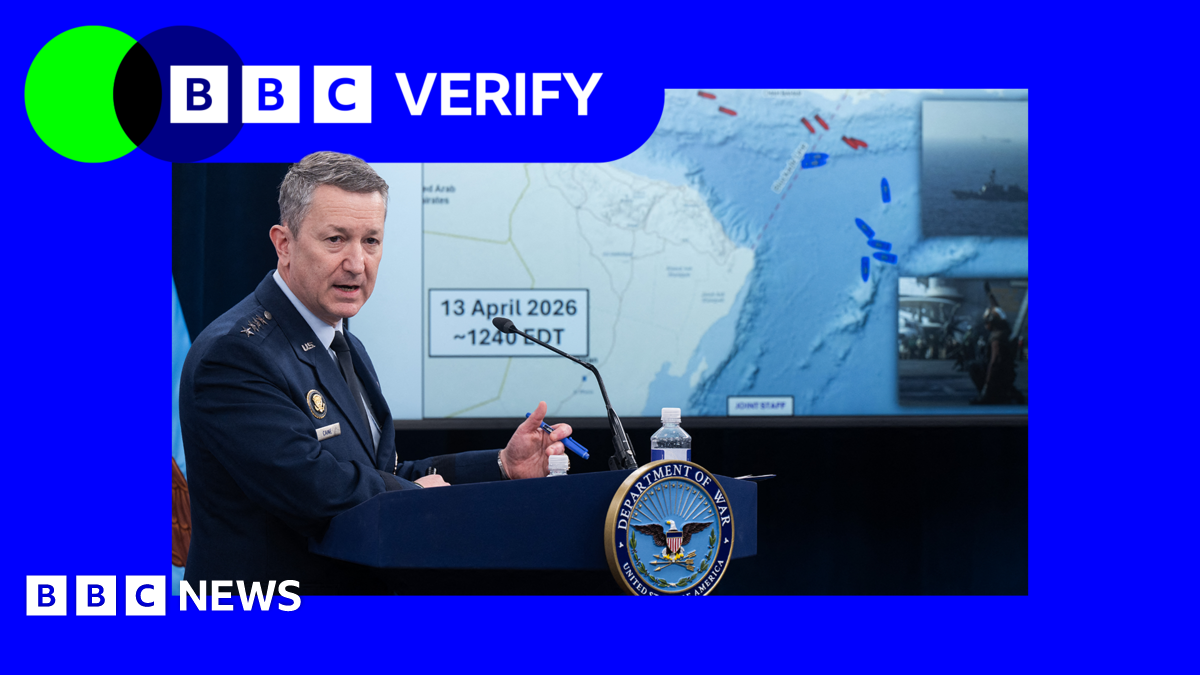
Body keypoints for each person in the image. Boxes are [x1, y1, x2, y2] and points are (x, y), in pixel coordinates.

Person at [179, 152, 571, 593]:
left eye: (371, 241)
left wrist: (501, 465)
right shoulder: (235, 354)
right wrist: (417, 498)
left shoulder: (343, 342)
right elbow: (316, 488)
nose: (356, 263)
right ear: (284, 243)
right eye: (336, 239)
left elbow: (384, 471)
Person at [968, 309, 1023, 405]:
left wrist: (986, 386)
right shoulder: (1006, 332)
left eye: (987, 322)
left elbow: (994, 363)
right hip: (1008, 373)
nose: (985, 324)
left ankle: (991, 396)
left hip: (1000, 374)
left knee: (973, 366)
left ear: (993, 322)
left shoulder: (997, 338)